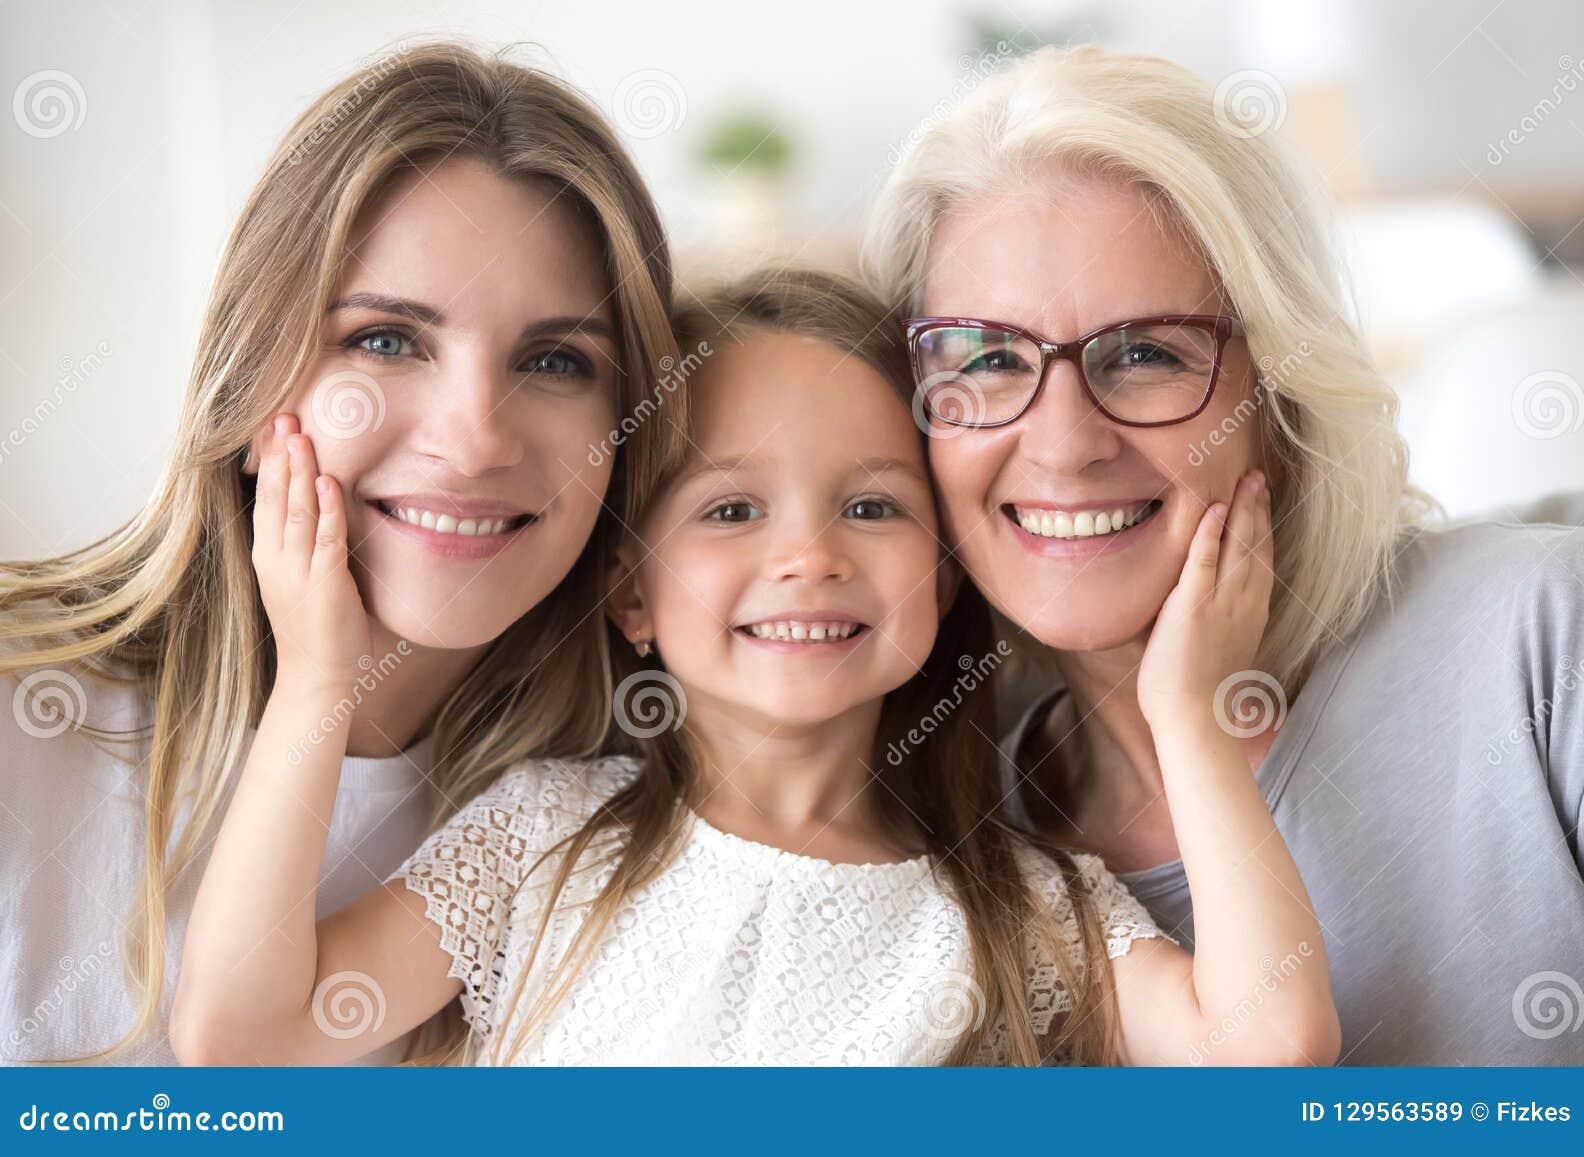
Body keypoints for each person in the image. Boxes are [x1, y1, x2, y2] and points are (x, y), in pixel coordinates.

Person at [171, 269, 1337, 1066]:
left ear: (941, 577)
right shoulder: (538, 842)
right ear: (629, 590)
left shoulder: (1023, 906)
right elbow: (243, 1031)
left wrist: (1184, 712)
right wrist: (318, 682)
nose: (808, 557)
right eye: (730, 507)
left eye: (872, 506)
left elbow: (1265, 1048)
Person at [863, 44, 1584, 1063]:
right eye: (986, 358)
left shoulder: (1550, 640)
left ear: (1281, 399)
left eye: (1146, 353)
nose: (1065, 443)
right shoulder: (943, 831)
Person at [0, 42, 681, 1064]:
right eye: (387, 339)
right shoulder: (26, 716)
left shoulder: (616, 816)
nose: (474, 438)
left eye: (554, 359)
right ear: (252, 368)